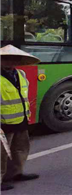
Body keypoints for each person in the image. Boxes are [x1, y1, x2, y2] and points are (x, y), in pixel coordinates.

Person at [1, 45, 41, 191]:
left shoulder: (21, 74)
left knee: (20, 148)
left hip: (21, 119)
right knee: (2, 153)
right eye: (5, 59)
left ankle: (16, 173)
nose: (9, 62)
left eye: (13, 59)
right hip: (3, 122)